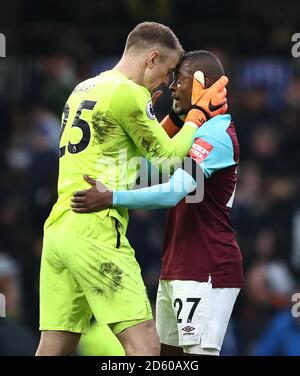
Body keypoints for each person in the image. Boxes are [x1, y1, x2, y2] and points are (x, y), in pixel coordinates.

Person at [37, 21, 228, 357]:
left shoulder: (84, 88)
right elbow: (169, 162)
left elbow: (139, 160)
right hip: (95, 227)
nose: (168, 85)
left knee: (55, 345)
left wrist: (171, 121)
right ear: (151, 59)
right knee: (145, 344)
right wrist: (198, 114)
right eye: (168, 72)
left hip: (59, 230)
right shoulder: (129, 92)